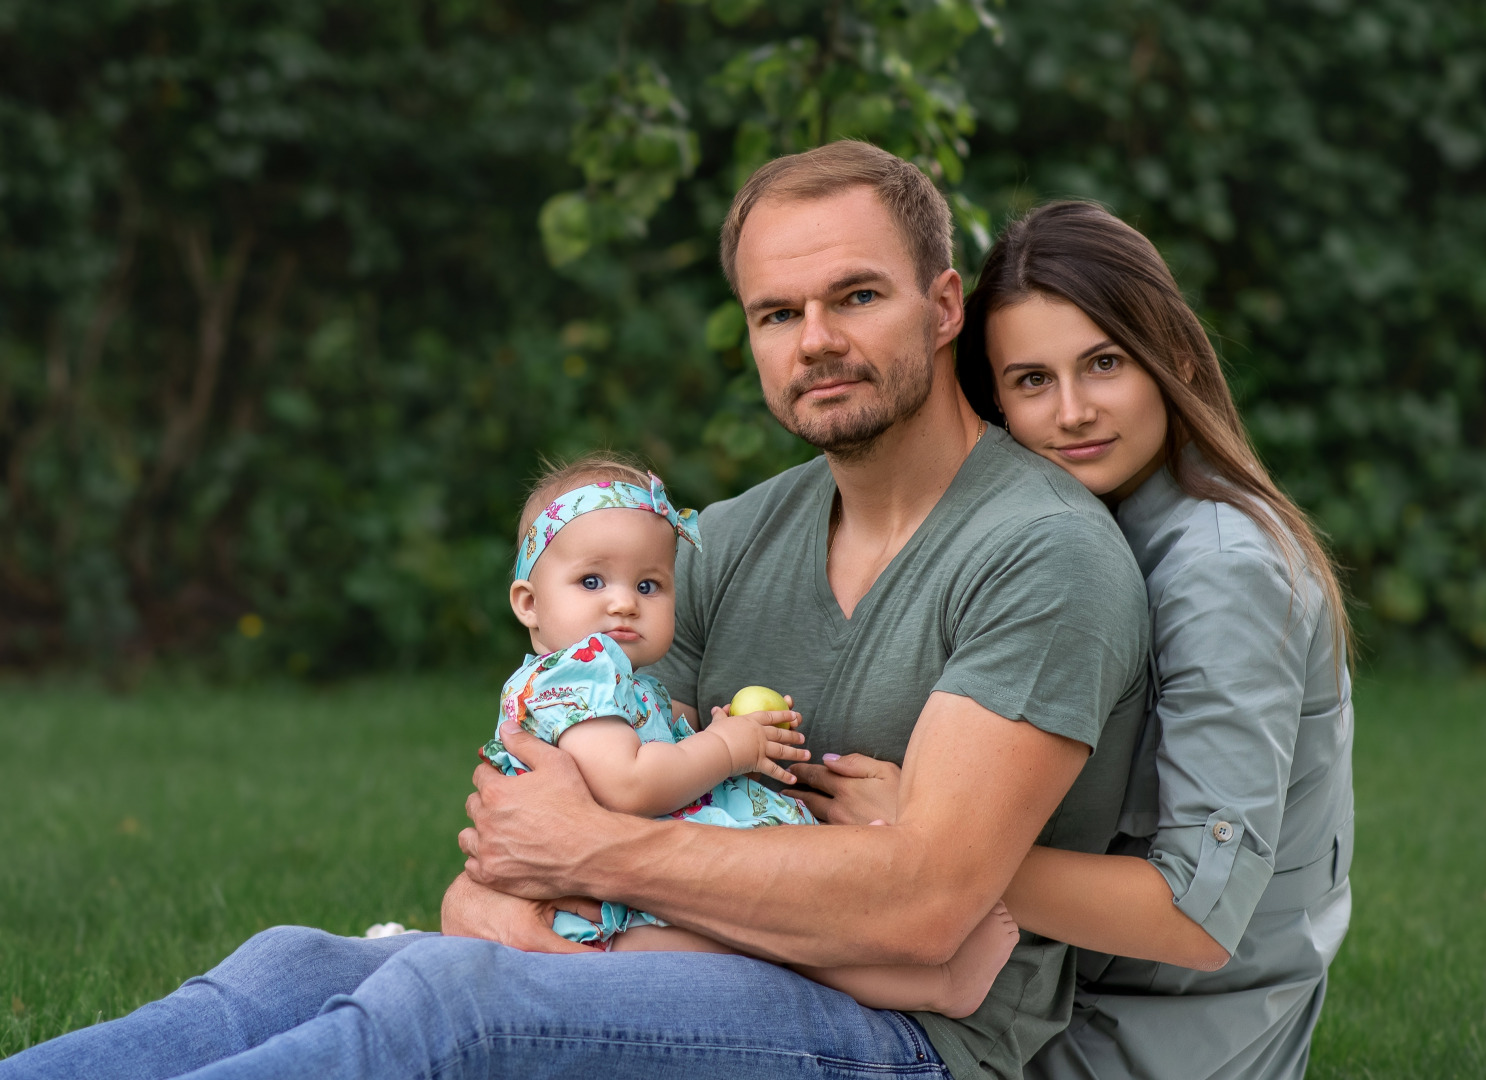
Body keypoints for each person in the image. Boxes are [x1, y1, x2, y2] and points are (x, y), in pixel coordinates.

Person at [0, 142, 1149, 1080]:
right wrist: (515, 896)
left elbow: (923, 909)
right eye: (775, 312)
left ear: (944, 305)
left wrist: (591, 855)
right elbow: (515, 830)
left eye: (856, 296)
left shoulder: (1036, 552)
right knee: (293, 962)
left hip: (915, 1039)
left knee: (448, 1007)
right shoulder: (720, 541)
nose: (817, 342)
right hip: (698, 952)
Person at [794, 201, 1356, 1080]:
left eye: (1103, 364)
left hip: (1150, 1041)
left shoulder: (1222, 571)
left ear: (1172, 360)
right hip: (1025, 989)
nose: (1072, 412)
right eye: (1030, 381)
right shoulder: (1064, 536)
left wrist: (926, 845)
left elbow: (1196, 918)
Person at [478, 453, 1019, 1016]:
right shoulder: (578, 672)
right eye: (592, 580)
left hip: (629, 891)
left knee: (783, 933)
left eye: (649, 584)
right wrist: (727, 748)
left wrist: (708, 733)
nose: (623, 602)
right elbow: (629, 784)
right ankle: (937, 988)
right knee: (775, 940)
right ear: (529, 603)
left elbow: (641, 759)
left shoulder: (616, 680)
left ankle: (927, 979)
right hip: (616, 921)